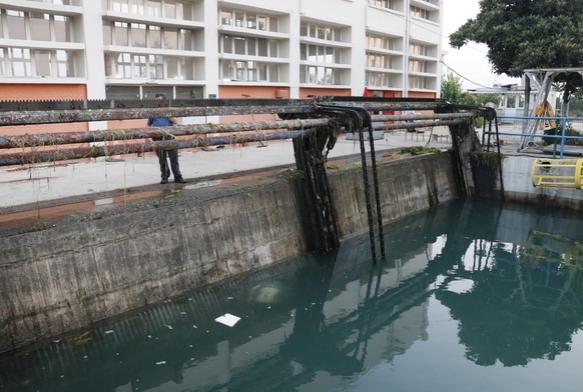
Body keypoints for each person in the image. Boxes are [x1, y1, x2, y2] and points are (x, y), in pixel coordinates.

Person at [147, 93, 186, 184]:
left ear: (164, 101)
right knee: (162, 158)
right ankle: (165, 176)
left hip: (169, 136)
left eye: (160, 100)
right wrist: (148, 137)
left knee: (174, 157)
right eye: (157, 101)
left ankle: (177, 176)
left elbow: (175, 121)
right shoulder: (153, 112)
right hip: (157, 137)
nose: (159, 103)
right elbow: (148, 125)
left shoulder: (169, 111)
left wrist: (166, 113)